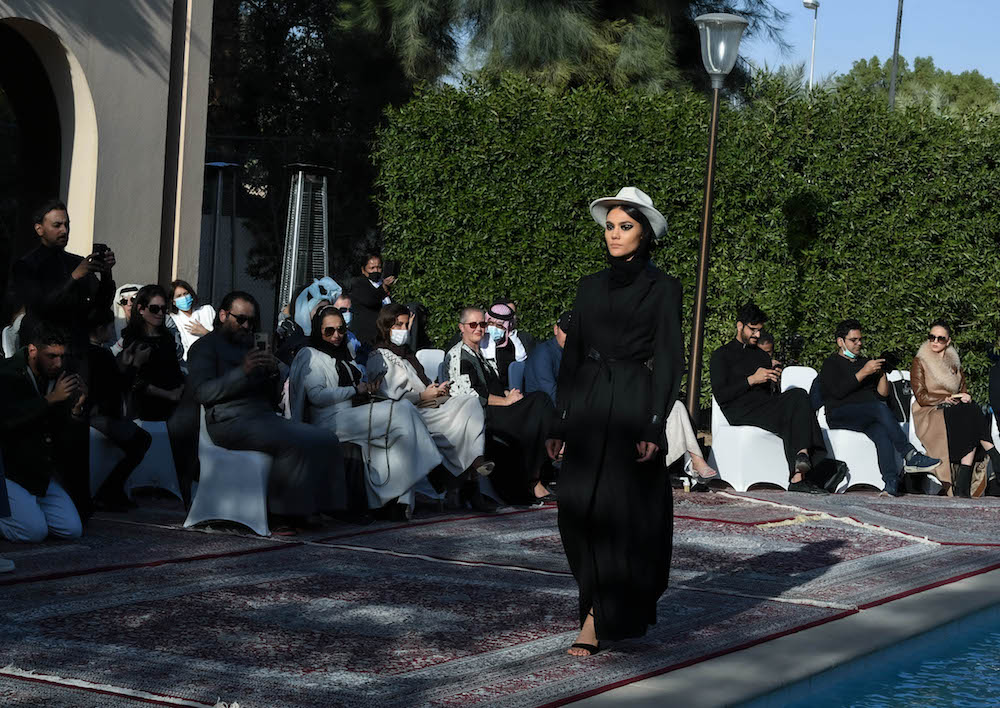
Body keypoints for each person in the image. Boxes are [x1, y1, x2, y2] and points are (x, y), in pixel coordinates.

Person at [543, 187, 681, 656]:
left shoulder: (664, 289)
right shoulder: (588, 286)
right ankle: (598, 603)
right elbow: (572, 357)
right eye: (610, 226)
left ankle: (594, 617)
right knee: (575, 509)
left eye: (626, 226)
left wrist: (655, 425)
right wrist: (558, 421)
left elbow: (669, 361)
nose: (615, 234)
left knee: (619, 515)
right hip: (586, 402)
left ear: (644, 234)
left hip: (632, 407)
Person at [188, 291, 348, 525]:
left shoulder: (249, 346)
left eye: (251, 321)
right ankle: (283, 514)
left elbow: (268, 395)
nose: (246, 325)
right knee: (292, 441)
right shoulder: (204, 347)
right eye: (240, 319)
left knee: (326, 438)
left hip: (261, 416)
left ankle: (327, 506)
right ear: (223, 315)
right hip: (228, 421)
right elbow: (202, 392)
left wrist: (272, 371)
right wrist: (242, 371)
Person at [288, 306, 441, 517]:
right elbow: (317, 397)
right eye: (329, 331)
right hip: (328, 421)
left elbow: (357, 386)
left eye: (341, 330)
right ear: (318, 331)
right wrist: (354, 390)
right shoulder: (310, 354)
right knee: (403, 410)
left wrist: (368, 388)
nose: (336, 336)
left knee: (398, 437)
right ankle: (435, 470)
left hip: (352, 415)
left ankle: (397, 502)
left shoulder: (345, 353)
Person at [367, 304, 494, 510]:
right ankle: (471, 480)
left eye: (406, 325)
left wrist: (436, 391)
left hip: (429, 406)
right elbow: (388, 399)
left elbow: (425, 385)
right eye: (398, 325)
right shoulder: (379, 357)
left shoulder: (407, 355)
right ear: (386, 326)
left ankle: (477, 461)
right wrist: (422, 395)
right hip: (409, 415)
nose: (403, 330)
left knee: (470, 402)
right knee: (461, 425)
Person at [710, 302, 827, 494]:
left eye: (759, 330)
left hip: (764, 406)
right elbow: (722, 394)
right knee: (795, 406)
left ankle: (800, 464)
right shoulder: (722, 355)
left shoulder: (761, 356)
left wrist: (773, 380)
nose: (757, 335)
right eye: (753, 330)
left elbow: (769, 395)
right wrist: (751, 380)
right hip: (739, 410)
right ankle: (804, 468)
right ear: (740, 326)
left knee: (798, 396)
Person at [446, 307, 555, 505]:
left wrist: (509, 395)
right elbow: (471, 395)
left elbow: (492, 385)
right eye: (473, 325)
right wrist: (505, 401)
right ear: (461, 327)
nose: (479, 329)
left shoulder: (479, 353)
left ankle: (534, 477)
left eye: (482, 324)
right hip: (481, 415)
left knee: (540, 403)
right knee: (539, 403)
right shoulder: (459, 356)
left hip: (498, 408)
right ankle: (531, 480)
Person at [819, 319, 940, 496]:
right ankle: (909, 454)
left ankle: (891, 483)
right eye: (854, 340)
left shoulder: (865, 362)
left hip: (865, 415)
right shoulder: (831, 363)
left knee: (881, 433)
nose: (858, 343)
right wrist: (863, 372)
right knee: (878, 408)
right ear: (841, 341)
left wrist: (882, 373)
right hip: (839, 413)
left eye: (860, 339)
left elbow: (881, 395)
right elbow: (837, 393)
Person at [0, 323, 86, 542]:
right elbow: (9, 420)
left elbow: (60, 434)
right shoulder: (8, 373)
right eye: (51, 356)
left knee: (71, 529)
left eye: (61, 356)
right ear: (32, 350)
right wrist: (50, 400)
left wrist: (75, 410)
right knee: (33, 532)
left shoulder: (57, 378)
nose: (57, 363)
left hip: (38, 472)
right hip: (8, 470)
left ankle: (27, 510)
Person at [13, 199, 116, 374]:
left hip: (77, 348)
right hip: (44, 351)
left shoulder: (76, 262)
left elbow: (101, 305)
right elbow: (41, 306)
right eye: (57, 225)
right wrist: (74, 277)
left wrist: (106, 273)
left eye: (67, 225)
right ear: (39, 229)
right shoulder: (27, 265)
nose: (64, 230)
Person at [118, 285, 199, 500]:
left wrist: (181, 388)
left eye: (163, 309)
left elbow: (174, 370)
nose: (160, 313)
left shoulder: (166, 337)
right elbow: (135, 382)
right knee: (185, 423)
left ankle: (191, 481)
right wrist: (169, 395)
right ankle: (185, 484)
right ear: (142, 309)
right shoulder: (132, 339)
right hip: (148, 402)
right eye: (155, 309)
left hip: (173, 396)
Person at [911, 321, 1000, 497]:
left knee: (971, 410)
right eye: (931, 337)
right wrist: (944, 398)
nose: (935, 341)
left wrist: (963, 396)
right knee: (971, 414)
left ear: (948, 341)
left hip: (954, 409)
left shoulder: (954, 363)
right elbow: (921, 396)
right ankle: (994, 457)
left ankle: (963, 485)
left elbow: (962, 390)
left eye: (940, 338)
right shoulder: (920, 361)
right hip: (930, 410)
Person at [86, 308, 152, 511]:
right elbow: (117, 388)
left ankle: (112, 489)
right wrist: (136, 365)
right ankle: (110, 490)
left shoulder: (86, 351)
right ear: (99, 329)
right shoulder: (100, 354)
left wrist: (124, 364)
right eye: (107, 327)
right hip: (97, 417)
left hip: (92, 414)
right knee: (142, 440)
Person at [524, 311, 574, 406]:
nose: (569, 337)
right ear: (556, 329)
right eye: (566, 332)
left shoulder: (572, 352)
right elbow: (550, 393)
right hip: (541, 409)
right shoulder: (543, 354)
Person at [480, 303, 529, 389]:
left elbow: (520, 359)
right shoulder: (479, 340)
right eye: (491, 323)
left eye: (499, 325)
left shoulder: (512, 346)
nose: (494, 328)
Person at [350, 254, 395, 346]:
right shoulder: (359, 284)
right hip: (367, 336)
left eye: (378, 267)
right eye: (372, 268)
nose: (376, 271)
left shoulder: (383, 283)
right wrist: (384, 288)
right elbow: (370, 300)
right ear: (363, 270)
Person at [168, 279, 215, 360]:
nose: (184, 298)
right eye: (179, 296)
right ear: (173, 301)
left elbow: (222, 339)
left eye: (185, 294)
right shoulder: (172, 319)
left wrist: (205, 332)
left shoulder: (207, 311)